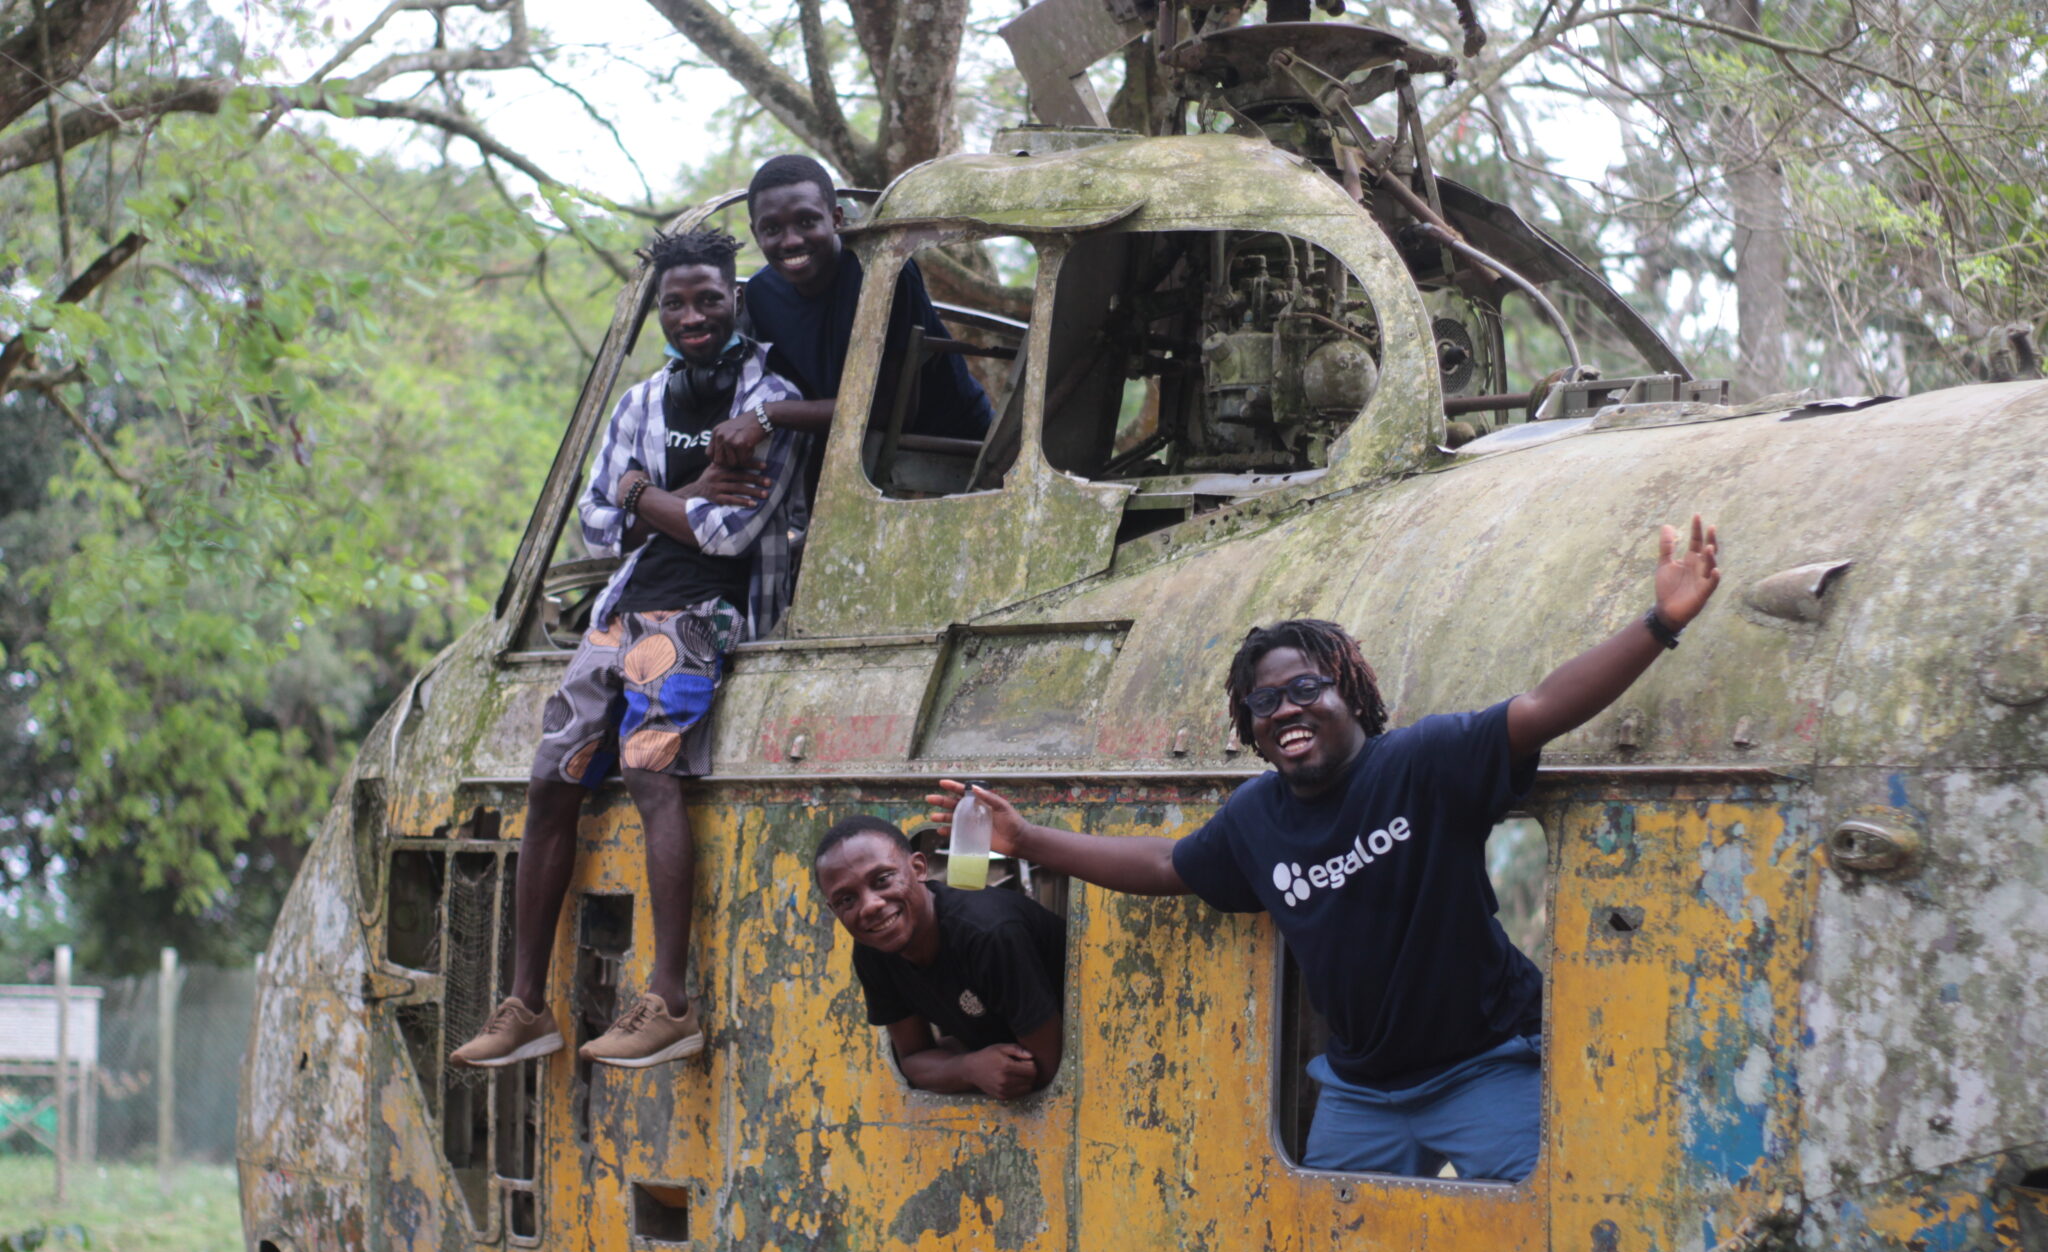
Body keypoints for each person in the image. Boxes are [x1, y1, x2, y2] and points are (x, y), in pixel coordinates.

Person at [929, 518, 1723, 1178]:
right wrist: (1026, 838)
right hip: (1360, 1090)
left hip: (1483, 1065)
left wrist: (1662, 623)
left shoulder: (1421, 762)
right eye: (1263, 702)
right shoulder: (1256, 817)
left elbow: (1546, 706)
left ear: (1353, 693)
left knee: (1547, 1238)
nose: (1284, 709)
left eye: (1305, 687)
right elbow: (1167, 865)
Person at [450, 226, 806, 1070]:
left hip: (700, 611)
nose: (691, 315)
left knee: (649, 772)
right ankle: (524, 1006)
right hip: (621, 614)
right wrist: (668, 492)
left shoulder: (769, 400)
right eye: (674, 302)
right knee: (551, 778)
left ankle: (671, 1001)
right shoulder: (642, 400)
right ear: (658, 309)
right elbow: (599, 523)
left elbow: (727, 533)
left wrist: (642, 491)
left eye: (708, 299)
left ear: (736, 299)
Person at [704, 153, 994, 474]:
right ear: (756, 234)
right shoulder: (761, 295)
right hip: (849, 454)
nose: (791, 241)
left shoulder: (884, 271)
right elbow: (795, 396)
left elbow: (889, 409)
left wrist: (768, 414)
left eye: (806, 221)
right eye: (772, 228)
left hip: (954, 445)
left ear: (836, 218)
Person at [813, 816, 1064, 1099]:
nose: (870, 906)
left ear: (918, 868)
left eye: (882, 880)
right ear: (834, 910)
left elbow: (1048, 1068)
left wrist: (951, 1061)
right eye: (846, 899)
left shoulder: (989, 933)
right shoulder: (874, 951)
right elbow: (913, 1061)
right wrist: (969, 1067)